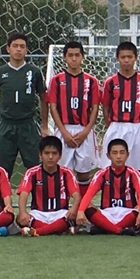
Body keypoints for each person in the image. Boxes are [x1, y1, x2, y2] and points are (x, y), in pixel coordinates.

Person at [47, 41, 101, 197]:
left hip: (84, 130)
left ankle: (82, 207)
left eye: (77, 55)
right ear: (64, 57)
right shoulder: (56, 80)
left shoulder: (91, 81)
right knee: (63, 171)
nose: (74, 58)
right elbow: (53, 107)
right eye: (70, 55)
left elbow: (95, 108)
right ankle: (63, 206)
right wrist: (64, 133)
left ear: (82, 57)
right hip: (64, 130)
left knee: (83, 173)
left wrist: (86, 132)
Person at [0, 32, 49, 177]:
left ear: (26, 50)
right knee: (1, 172)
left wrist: (44, 126)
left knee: (35, 170)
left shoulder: (34, 72)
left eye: (22, 46)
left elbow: (44, 98)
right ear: (8, 48)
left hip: (28, 126)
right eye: (15, 46)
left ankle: (36, 193)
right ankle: (2, 194)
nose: (18, 49)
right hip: (6, 126)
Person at [100, 41, 140, 183]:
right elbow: (105, 106)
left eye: (129, 57)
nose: (126, 60)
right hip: (116, 126)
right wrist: (111, 124)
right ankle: (113, 195)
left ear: (135, 57)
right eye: (123, 57)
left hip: (137, 127)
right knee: (111, 167)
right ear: (117, 58)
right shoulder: (110, 82)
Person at [76, 139, 140, 236]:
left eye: (122, 153)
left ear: (127, 155)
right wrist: (80, 211)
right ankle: (120, 230)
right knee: (87, 207)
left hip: (128, 213)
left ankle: (105, 228)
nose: (118, 156)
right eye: (114, 153)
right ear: (108, 156)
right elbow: (89, 194)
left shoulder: (134, 173)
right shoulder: (101, 174)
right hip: (107, 214)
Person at [16, 136, 82, 236]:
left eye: (54, 153)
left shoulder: (67, 173)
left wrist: (73, 209)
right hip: (38, 214)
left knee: (75, 216)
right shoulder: (32, 172)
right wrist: (23, 212)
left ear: (60, 155)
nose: (50, 157)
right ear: (40, 155)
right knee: (19, 218)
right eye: (47, 153)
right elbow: (23, 195)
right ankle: (60, 229)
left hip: (61, 213)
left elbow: (77, 195)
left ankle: (37, 231)